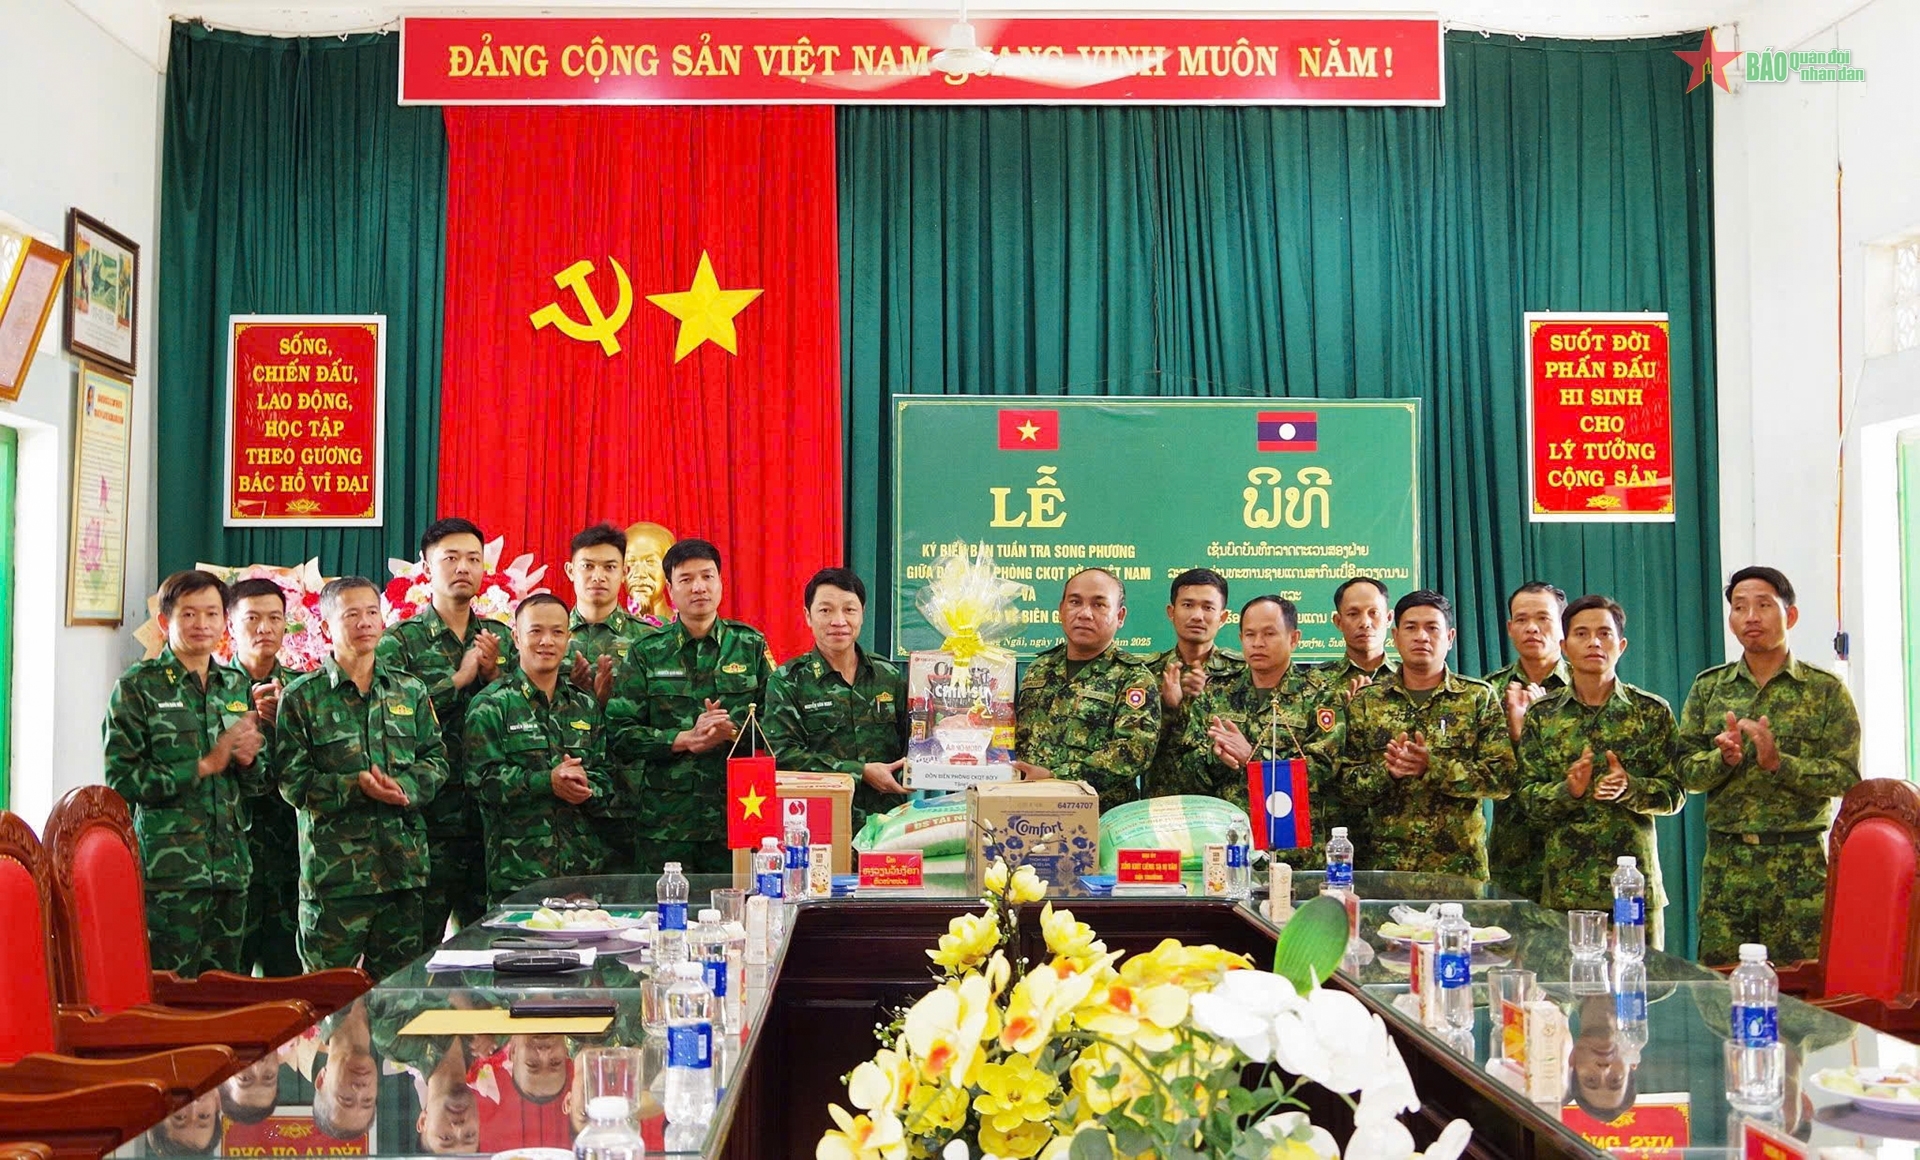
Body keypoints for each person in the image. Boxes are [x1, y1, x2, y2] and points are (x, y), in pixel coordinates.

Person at [1680, 566, 1861, 966]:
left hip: (1799, 867)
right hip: (1727, 866)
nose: (1751, 617)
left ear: (1789, 615)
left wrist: (1781, 764)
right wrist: (1721, 760)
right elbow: (1685, 772)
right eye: (1739, 607)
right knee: (1722, 984)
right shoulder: (1709, 688)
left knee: (1804, 990)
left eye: (1763, 605)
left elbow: (1847, 778)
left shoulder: (1825, 690)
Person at [278, 577, 448, 977]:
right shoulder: (302, 697)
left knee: (399, 996)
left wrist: (403, 788)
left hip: (402, 874)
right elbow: (292, 781)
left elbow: (436, 760)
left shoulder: (409, 690)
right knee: (326, 998)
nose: (365, 622)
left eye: (372, 612)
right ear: (326, 627)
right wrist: (357, 787)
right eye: (351, 614)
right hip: (335, 880)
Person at [103, 570, 265, 976]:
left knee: (225, 991)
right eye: (189, 614)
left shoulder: (235, 685)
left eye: (212, 613)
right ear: (165, 621)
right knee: (168, 992)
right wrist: (202, 766)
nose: (202, 624)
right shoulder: (138, 687)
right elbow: (122, 780)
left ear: (224, 621)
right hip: (169, 875)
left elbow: (257, 785)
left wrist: (249, 761)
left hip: (230, 869)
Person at [377, 517, 518, 949]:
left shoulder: (500, 637)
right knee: (419, 949)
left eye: (473, 559)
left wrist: (494, 677)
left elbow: (523, 716)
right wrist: (457, 680)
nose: (463, 568)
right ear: (426, 566)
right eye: (451, 558)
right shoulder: (400, 641)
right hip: (428, 820)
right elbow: (392, 721)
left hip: (488, 819)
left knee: (491, 945)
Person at [1519, 595, 1682, 947]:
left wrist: (1630, 787)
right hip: (1566, 891)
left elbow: (1676, 793)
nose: (1594, 642)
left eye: (1605, 634)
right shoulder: (1542, 715)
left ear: (1621, 646)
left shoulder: (1651, 712)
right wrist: (1568, 791)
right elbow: (1527, 798)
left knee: (1638, 979)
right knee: (1569, 981)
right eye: (1582, 634)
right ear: (1564, 646)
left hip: (1633, 889)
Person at [606, 538, 776, 873]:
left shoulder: (751, 645)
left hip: (739, 815)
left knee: (737, 903)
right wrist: (684, 739)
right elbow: (619, 734)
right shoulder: (646, 651)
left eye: (707, 576)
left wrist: (734, 734)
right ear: (670, 590)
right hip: (666, 824)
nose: (699, 587)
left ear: (721, 583)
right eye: (686, 579)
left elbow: (778, 727)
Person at [1340, 590, 1515, 879]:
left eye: (1432, 628)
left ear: (1450, 637)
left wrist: (1433, 767)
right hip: (1386, 869)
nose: (1421, 636)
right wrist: (1388, 772)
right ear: (1395, 637)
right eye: (1411, 628)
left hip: (1459, 869)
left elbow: (1503, 779)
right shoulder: (1367, 701)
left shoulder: (1477, 697)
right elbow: (1346, 786)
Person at [465, 594, 614, 904]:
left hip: (581, 876)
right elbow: (481, 782)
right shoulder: (492, 705)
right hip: (518, 877)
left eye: (557, 632)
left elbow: (608, 778)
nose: (547, 641)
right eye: (535, 631)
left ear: (568, 639)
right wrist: (546, 782)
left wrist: (586, 787)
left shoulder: (584, 706)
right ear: (516, 638)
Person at [1192, 595, 1343, 865]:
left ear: (1294, 639)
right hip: (1229, 848)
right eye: (1250, 634)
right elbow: (1185, 768)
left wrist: (1254, 757)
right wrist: (1216, 758)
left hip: (1293, 853)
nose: (1258, 643)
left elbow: (1323, 770)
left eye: (1269, 634)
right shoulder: (1216, 692)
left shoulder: (1321, 695)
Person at [762, 567, 908, 826]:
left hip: (888, 822)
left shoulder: (888, 675)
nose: (838, 621)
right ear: (808, 616)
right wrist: (859, 772)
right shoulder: (788, 681)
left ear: (862, 613)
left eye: (849, 609)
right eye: (825, 610)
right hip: (820, 821)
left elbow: (913, 739)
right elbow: (782, 756)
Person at [1013, 568, 1161, 810]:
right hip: (1028, 810)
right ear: (1061, 610)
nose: (1084, 613)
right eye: (1075, 602)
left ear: (1120, 616)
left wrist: (1055, 777)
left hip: (1097, 817)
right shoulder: (1039, 669)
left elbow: (1133, 752)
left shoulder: (1133, 678)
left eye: (1099, 605)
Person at [562, 523, 654, 874]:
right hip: (565, 796)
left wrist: (608, 705)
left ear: (624, 572)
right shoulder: (548, 633)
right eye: (588, 566)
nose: (598, 576)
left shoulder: (649, 640)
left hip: (630, 796)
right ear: (570, 570)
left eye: (609, 567)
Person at [227, 576, 307, 977]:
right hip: (229, 858)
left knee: (288, 983)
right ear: (230, 625)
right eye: (253, 618)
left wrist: (282, 725)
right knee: (227, 981)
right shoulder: (213, 689)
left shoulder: (304, 689)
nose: (265, 628)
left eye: (275, 618)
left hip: (290, 859)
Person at [1484, 581, 1571, 901]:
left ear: (1563, 626)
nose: (1532, 628)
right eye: (1521, 619)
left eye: (1543, 618)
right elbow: (1488, 775)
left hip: (1579, 853)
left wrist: (1536, 731)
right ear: (1510, 628)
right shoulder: (1488, 692)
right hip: (1513, 854)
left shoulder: (1587, 685)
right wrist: (1515, 736)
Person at [1146, 568, 1245, 798]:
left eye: (1208, 607)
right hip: (1164, 805)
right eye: (1188, 605)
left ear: (1223, 618)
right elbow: (1139, 749)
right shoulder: (1148, 673)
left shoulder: (1243, 673)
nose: (1197, 616)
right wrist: (1170, 707)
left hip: (1227, 807)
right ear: (1171, 612)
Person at [1311, 576, 1397, 701]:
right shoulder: (1314, 682)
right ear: (1338, 622)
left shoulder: (1409, 678)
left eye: (1374, 613)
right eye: (1353, 614)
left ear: (1389, 618)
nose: (1365, 623)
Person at [623, 520, 676, 623]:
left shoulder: (687, 626)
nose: (640, 574)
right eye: (631, 562)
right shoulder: (609, 629)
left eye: (650, 562)